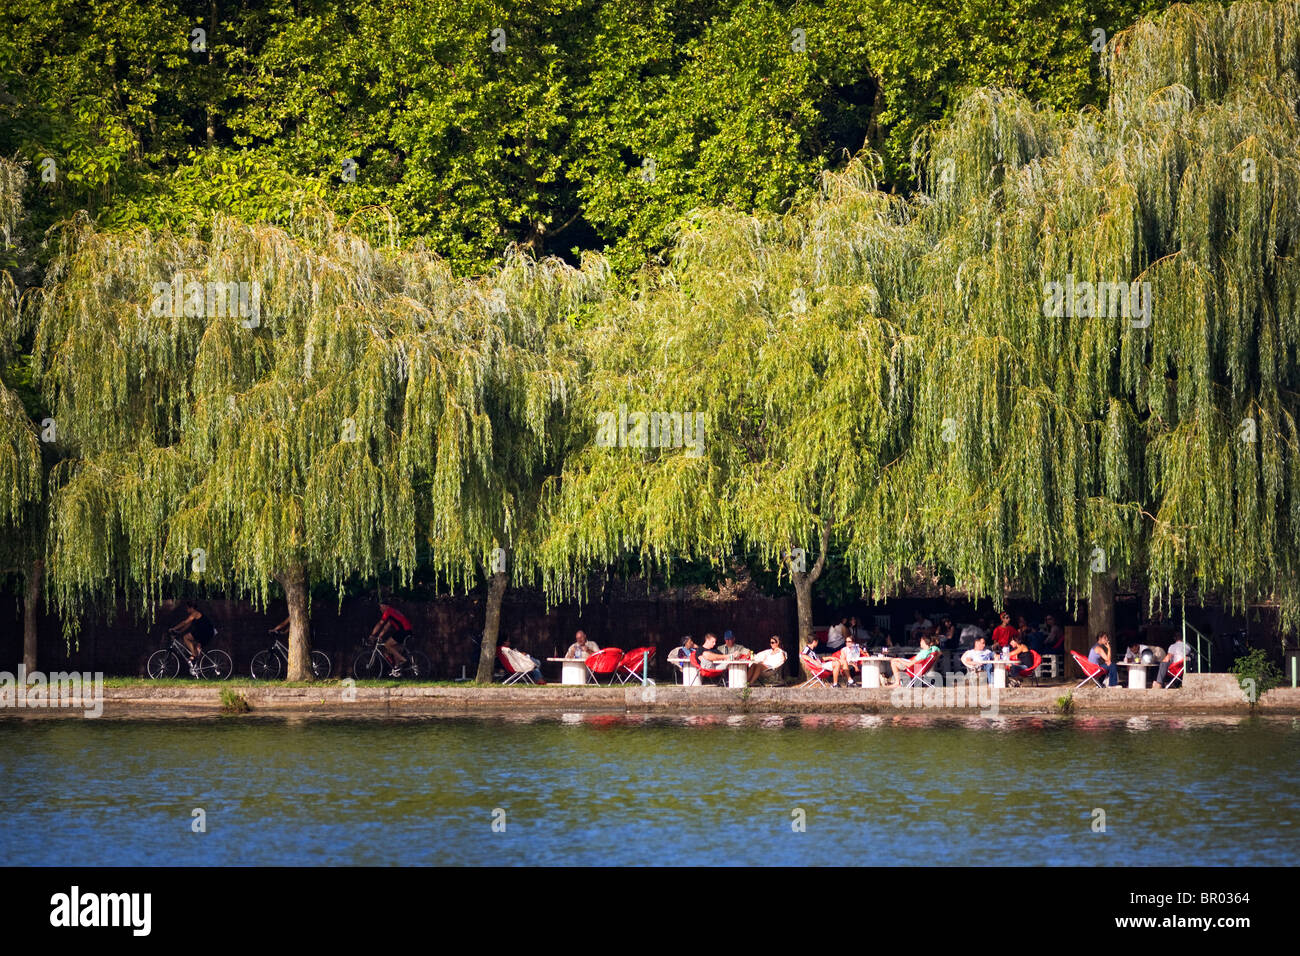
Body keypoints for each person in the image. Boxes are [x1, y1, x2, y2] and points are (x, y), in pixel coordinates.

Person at [169, 600, 215, 674]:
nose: (187, 610)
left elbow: (184, 622)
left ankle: (193, 655)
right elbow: (187, 625)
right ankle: (196, 667)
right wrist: (179, 631)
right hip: (207, 632)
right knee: (197, 646)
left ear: (191, 608)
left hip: (205, 632)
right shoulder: (193, 615)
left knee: (186, 637)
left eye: (187, 608)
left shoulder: (195, 613)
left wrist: (174, 628)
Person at [370, 603, 413, 675]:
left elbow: (380, 623)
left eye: (381, 607)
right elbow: (386, 627)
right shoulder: (392, 613)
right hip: (407, 630)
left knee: (387, 645)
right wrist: (379, 636)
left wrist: (372, 635)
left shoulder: (388, 612)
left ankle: (403, 660)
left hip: (403, 630)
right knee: (393, 648)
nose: (380, 609)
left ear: (386, 606)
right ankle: (397, 668)